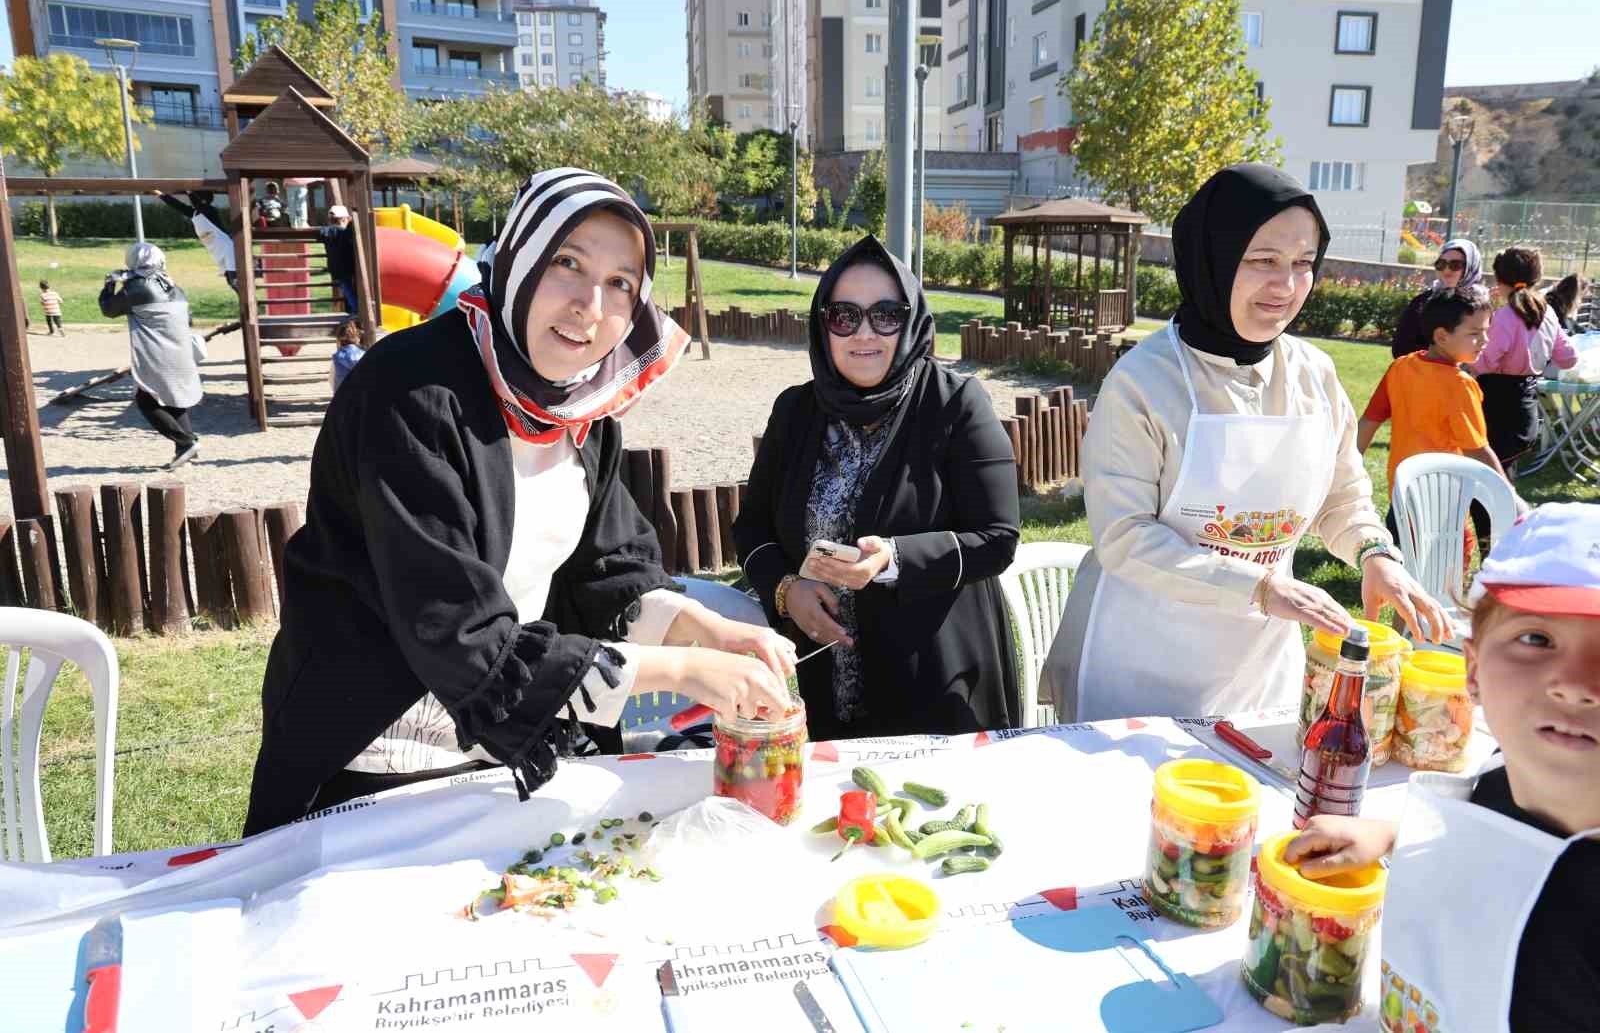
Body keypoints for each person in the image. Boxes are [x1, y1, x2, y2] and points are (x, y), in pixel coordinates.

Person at [243, 168, 797, 836]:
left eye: (620, 283)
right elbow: (457, 632)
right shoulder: (408, 393)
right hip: (376, 752)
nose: (590, 305)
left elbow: (609, 575)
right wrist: (682, 670)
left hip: (505, 745)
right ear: (518, 259)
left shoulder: (584, 413)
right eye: (568, 263)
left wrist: (705, 629)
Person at [1041, 164, 1447, 724]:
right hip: (1139, 653)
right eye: (1262, 261)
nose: (1286, 286)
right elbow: (1124, 537)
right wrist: (1260, 587)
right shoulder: (1145, 381)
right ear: (1213, 258)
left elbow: (1342, 497)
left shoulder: (1314, 374)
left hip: (1259, 658)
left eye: (1303, 264)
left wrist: (1375, 554)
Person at [1285, 503, 1600, 1033]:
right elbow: (1503, 830)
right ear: (1472, 670)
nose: (1574, 683)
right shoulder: (1506, 775)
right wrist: (1390, 837)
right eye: (1536, 640)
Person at [733, 235, 1020, 740]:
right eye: (844, 315)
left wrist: (891, 558)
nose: (864, 332)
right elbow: (752, 526)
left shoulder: (956, 404)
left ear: (909, 321)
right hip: (819, 680)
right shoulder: (796, 411)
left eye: (886, 314)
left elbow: (998, 538)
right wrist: (786, 590)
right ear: (823, 324)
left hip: (934, 683)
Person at [1357, 285, 1513, 553]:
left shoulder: (1401, 367)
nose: (1485, 341)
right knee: (1445, 574)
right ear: (1441, 336)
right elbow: (1477, 450)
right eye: (1475, 334)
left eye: (1487, 331)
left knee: (1403, 564)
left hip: (1402, 490)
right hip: (1445, 499)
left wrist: (1349, 463)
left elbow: (1370, 420)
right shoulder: (1460, 385)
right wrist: (1508, 496)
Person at [1472, 247, 1579, 472]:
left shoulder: (1503, 318)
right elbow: (1568, 358)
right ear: (1536, 278)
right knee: (1502, 476)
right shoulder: (1547, 313)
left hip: (1496, 409)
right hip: (1527, 408)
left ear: (1499, 280)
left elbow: (1482, 363)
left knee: (1486, 479)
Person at [98, 243, 203, 470]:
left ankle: (185, 443)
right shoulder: (175, 286)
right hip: (181, 351)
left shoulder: (136, 288)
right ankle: (186, 448)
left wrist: (109, 283)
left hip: (159, 353)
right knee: (175, 398)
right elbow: (189, 319)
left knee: (146, 400)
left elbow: (108, 309)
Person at [1390, 238, 1485, 358]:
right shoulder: (1423, 302)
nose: (1446, 270)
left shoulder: (1481, 305)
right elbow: (1400, 348)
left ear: (1471, 267)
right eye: (1441, 264)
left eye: (1455, 265)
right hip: (1425, 372)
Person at [156, 189, 238, 292]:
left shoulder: (211, 211)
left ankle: (248, 302)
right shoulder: (194, 213)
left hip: (227, 248)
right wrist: (160, 194)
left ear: (202, 200)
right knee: (231, 282)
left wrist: (189, 193)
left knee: (234, 280)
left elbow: (199, 205)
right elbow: (178, 205)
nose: (191, 202)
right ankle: (245, 302)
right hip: (217, 252)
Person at [316, 204, 358, 314]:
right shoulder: (347, 232)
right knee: (350, 288)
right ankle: (356, 310)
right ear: (345, 219)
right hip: (350, 264)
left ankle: (354, 309)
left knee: (346, 288)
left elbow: (321, 234)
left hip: (335, 266)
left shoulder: (326, 232)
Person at [329, 319, 365, 395]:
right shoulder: (364, 355)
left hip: (342, 397)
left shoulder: (337, 357)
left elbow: (331, 381)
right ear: (357, 338)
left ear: (338, 340)